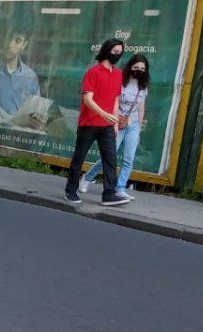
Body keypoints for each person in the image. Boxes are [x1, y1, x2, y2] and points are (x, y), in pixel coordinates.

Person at [64, 38, 130, 207]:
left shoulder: (118, 74)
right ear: (107, 51)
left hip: (107, 125)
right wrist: (104, 114)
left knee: (110, 160)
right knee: (79, 158)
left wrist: (114, 122)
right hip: (89, 123)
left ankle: (109, 194)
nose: (117, 55)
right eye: (115, 51)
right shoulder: (93, 72)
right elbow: (88, 99)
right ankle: (70, 191)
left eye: (120, 52)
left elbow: (115, 99)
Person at [81, 54, 149, 200]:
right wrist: (115, 122)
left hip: (133, 124)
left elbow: (141, 108)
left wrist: (138, 131)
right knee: (109, 156)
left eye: (143, 69)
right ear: (130, 67)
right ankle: (88, 177)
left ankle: (120, 188)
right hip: (116, 122)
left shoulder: (142, 86)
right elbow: (113, 101)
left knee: (129, 159)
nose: (139, 70)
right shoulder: (120, 81)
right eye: (136, 67)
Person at [0, 25, 40, 118]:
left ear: (24, 45)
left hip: (19, 126)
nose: (10, 45)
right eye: (8, 37)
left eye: (17, 41)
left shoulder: (30, 77)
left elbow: (36, 112)